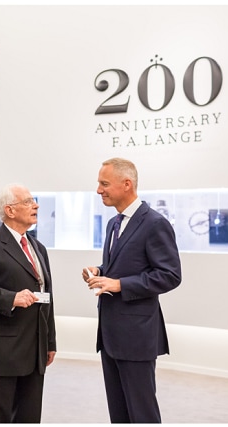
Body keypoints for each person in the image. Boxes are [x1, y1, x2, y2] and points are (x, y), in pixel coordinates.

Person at [82, 157, 181, 423]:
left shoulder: (155, 223)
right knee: (119, 413)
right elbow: (122, 266)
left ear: (127, 184)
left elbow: (170, 275)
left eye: (104, 184)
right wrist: (100, 272)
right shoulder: (113, 223)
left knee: (142, 414)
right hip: (110, 335)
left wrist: (119, 285)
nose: (99, 190)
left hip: (136, 337)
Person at [0, 184, 56, 423]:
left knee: (29, 417)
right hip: (2, 352)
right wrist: (11, 298)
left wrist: (50, 342)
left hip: (34, 351)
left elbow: (47, 296)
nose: (36, 205)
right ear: (10, 210)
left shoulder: (38, 248)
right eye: (28, 201)